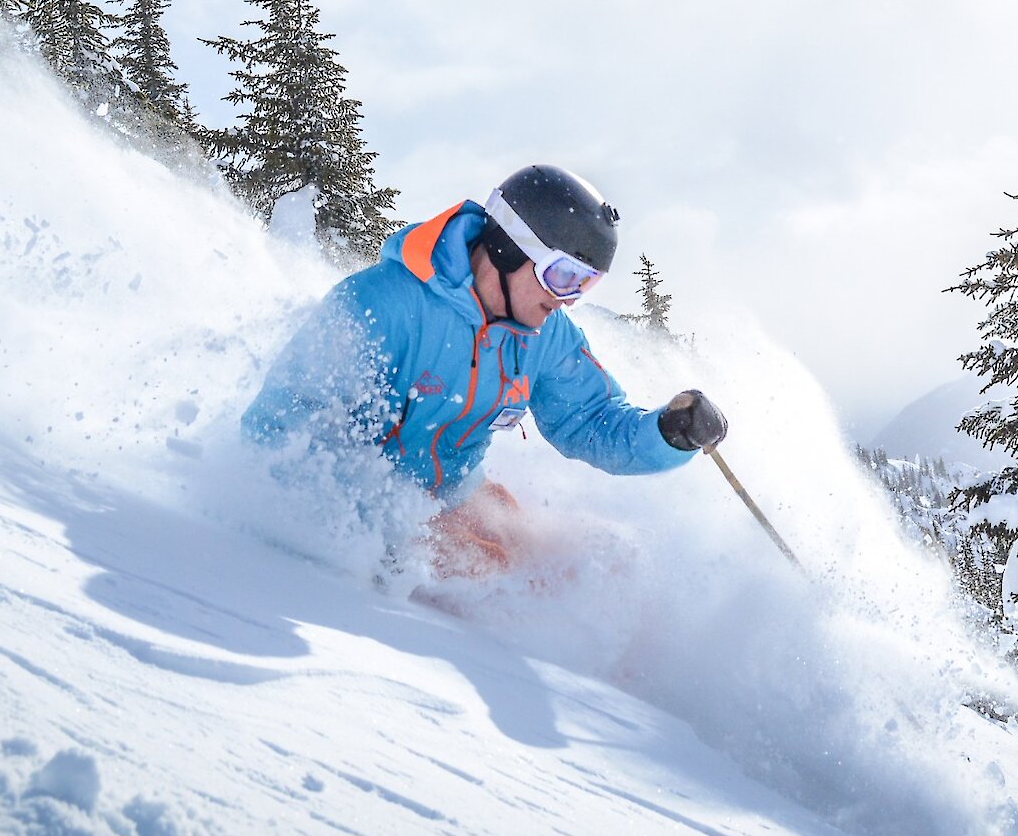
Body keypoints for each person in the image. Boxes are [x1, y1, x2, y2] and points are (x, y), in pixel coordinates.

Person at [240, 164, 729, 573]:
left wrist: (669, 432)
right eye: (563, 276)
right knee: (497, 571)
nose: (567, 300)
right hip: (368, 511)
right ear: (509, 247)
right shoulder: (382, 305)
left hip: (452, 493)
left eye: (585, 285)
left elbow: (591, 420)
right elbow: (279, 433)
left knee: (551, 560)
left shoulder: (545, 333)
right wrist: (396, 528)